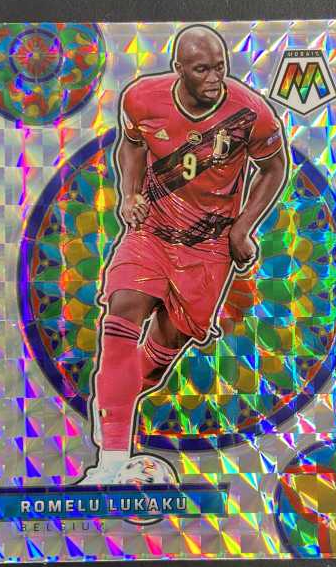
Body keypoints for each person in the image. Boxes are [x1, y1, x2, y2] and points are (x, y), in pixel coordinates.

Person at [81, 25, 287, 484]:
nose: (214, 78)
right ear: (179, 69)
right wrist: (129, 194)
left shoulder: (251, 112)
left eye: (220, 67)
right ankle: (110, 461)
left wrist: (242, 228)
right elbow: (132, 145)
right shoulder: (141, 98)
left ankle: (113, 401)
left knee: (159, 357)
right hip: (152, 232)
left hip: (208, 248)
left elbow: (274, 168)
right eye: (202, 69)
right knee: (122, 311)